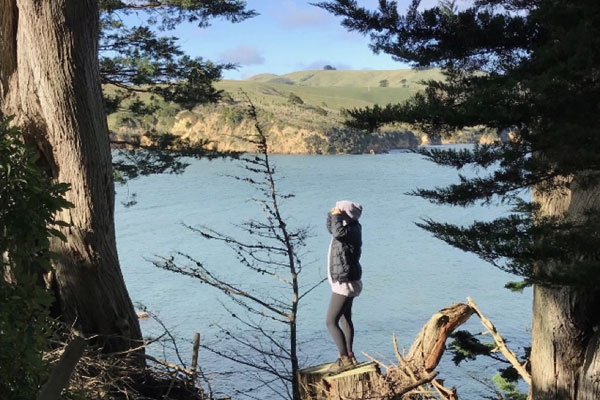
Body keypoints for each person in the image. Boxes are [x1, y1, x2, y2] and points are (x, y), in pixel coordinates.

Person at [325, 200, 363, 375]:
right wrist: (331, 215)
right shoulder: (351, 226)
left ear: (345, 213)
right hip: (346, 280)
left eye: (340, 209)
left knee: (330, 322)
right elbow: (332, 229)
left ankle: (344, 359)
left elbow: (338, 231)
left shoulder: (351, 230)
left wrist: (336, 216)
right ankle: (350, 355)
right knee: (344, 320)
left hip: (344, 284)